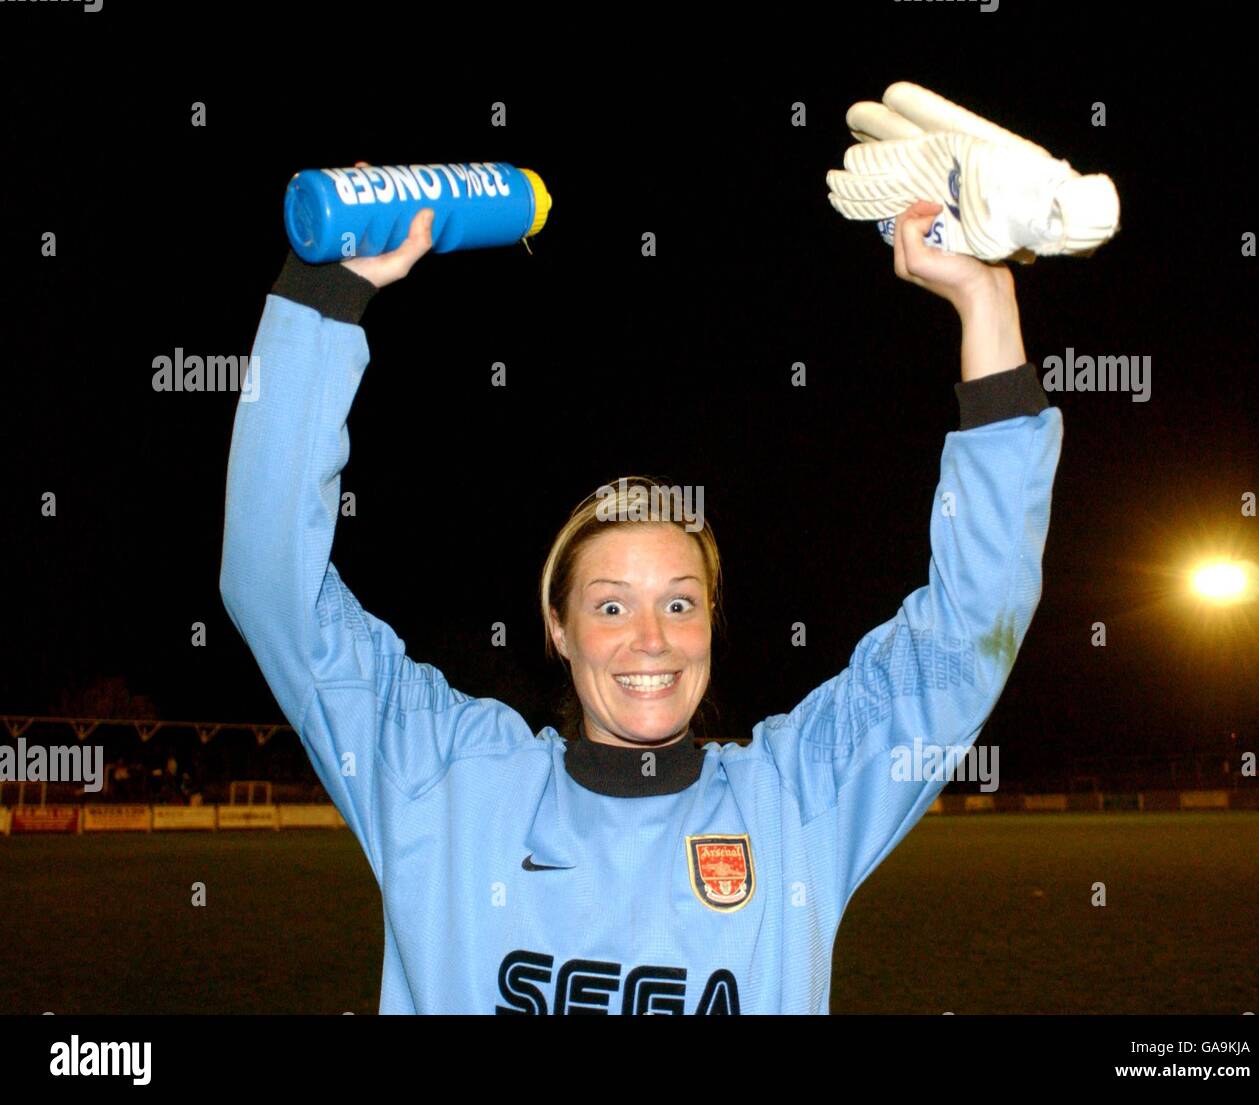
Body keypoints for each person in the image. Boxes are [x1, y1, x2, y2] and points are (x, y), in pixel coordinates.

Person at [219, 166, 1062, 1014]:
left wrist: (986, 303)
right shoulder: (445, 780)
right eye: (611, 604)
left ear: (709, 623)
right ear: (558, 627)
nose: (650, 637)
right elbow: (272, 587)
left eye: (680, 601)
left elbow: (971, 628)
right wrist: (323, 293)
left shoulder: (797, 796)